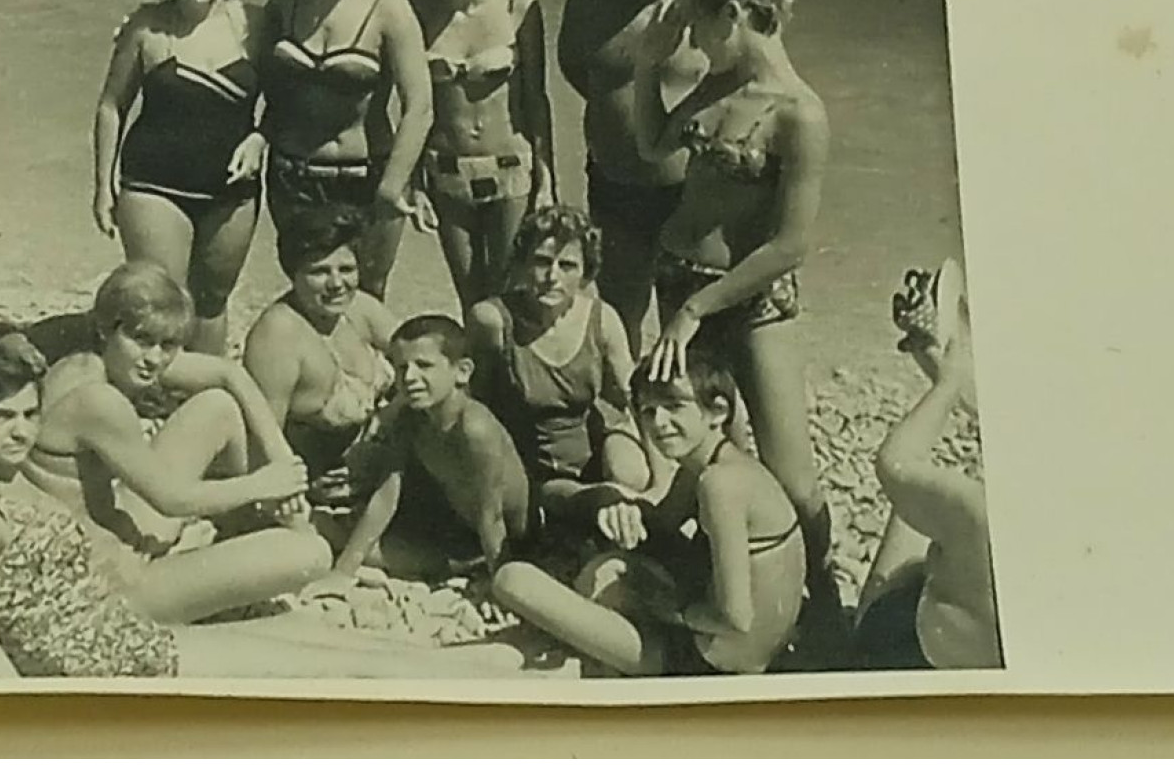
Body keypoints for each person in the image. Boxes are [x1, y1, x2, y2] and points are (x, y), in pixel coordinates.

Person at [0, 327, 527, 679]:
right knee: (315, 667)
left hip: (112, 625)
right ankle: (486, 681)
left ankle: (475, 665)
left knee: (302, 633)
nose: (20, 432)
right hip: (112, 654)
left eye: (29, 414)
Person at [632, 0, 850, 663]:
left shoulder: (799, 114)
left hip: (748, 300)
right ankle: (715, 579)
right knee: (693, 447)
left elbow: (790, 244)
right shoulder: (714, 84)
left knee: (789, 470)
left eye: (697, 25)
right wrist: (647, 65)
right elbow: (652, 144)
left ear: (734, 14)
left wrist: (698, 310)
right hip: (678, 278)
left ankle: (821, 599)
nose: (690, 39)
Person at [23, 264, 330, 624]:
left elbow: (227, 373)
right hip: (97, 584)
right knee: (313, 553)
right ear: (107, 329)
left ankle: (258, 525)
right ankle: (263, 535)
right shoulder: (98, 400)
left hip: (106, 528)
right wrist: (265, 484)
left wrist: (282, 459)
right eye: (142, 340)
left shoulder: (94, 361)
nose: (154, 358)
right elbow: (172, 501)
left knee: (219, 406)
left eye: (167, 345)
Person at [493, 353, 805, 676]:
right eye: (648, 410)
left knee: (513, 580)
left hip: (708, 664)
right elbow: (661, 524)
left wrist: (673, 611)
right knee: (608, 572)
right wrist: (617, 508)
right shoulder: (722, 465)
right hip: (749, 642)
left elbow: (736, 619)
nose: (658, 422)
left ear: (718, 411)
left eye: (674, 405)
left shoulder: (718, 486)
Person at [230, 0, 432, 300]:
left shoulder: (390, 8)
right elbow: (256, 74)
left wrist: (393, 185)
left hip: (366, 179)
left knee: (366, 294)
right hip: (293, 178)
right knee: (308, 290)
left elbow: (419, 106)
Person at [92, 0, 262, 355]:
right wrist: (102, 186)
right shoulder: (147, 28)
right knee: (159, 300)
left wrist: (262, 137)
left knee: (211, 303)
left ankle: (201, 395)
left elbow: (294, 93)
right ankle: (148, 392)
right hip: (154, 186)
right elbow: (112, 105)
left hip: (232, 192)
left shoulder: (257, 25)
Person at [556, 0, 706, 354]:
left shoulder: (707, 4)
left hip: (692, 194)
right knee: (620, 316)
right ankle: (628, 416)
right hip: (614, 186)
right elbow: (577, 71)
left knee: (689, 326)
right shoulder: (588, 0)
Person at [465, 206, 660, 531]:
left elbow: (637, 401)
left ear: (586, 273)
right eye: (541, 261)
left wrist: (660, 483)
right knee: (588, 501)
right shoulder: (493, 320)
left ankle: (623, 512)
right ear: (523, 264)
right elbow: (475, 403)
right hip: (537, 461)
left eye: (567, 265)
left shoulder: (602, 317)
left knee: (631, 477)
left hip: (595, 441)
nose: (552, 276)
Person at [309, 315, 531, 591]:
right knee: (326, 530)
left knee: (350, 543)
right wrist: (344, 572)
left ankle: (470, 569)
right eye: (401, 368)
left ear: (462, 371)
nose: (409, 378)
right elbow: (387, 493)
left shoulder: (474, 428)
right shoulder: (411, 416)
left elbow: (492, 515)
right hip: (449, 525)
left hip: (499, 543)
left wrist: (498, 583)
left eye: (424, 366)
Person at [855, 260, 1002, 671]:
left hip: (920, 654)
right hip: (988, 672)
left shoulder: (979, 513)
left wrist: (948, 384)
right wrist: (941, 368)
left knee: (916, 509)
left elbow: (895, 464)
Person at [409, 0, 555, 310]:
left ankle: (513, 374)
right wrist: (413, 183)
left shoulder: (520, 7)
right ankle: (478, 373)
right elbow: (412, 105)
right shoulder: (414, 10)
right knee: (471, 297)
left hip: (511, 167)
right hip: (447, 171)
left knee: (513, 292)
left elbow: (536, 98)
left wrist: (548, 180)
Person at [242, 206, 402, 527]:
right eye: (319, 271)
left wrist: (391, 412)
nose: (336, 283)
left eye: (347, 269)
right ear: (293, 273)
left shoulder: (359, 309)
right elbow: (259, 445)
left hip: (379, 478)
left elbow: (431, 362)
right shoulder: (279, 334)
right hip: (319, 498)